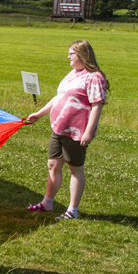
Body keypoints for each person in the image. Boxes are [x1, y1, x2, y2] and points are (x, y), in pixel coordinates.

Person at [26, 40, 109, 220]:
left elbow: (97, 106)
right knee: (53, 164)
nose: (68, 57)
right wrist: (39, 114)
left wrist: (88, 132)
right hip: (59, 128)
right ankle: (47, 203)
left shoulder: (94, 77)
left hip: (76, 131)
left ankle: (73, 210)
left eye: (72, 54)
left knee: (75, 169)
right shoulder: (73, 73)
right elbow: (59, 97)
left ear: (82, 55)